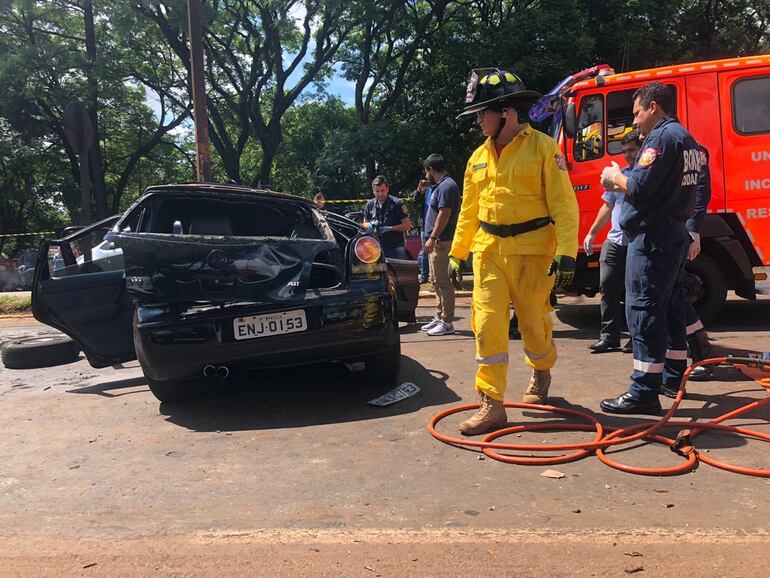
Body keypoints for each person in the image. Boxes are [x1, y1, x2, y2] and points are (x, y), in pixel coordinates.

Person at [449, 68, 579, 435]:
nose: (477, 121)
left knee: (532, 325)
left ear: (506, 111)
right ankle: (491, 403)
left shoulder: (543, 148)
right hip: (488, 251)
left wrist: (566, 251)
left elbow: (564, 205)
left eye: (482, 113)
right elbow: (468, 211)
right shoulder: (476, 158)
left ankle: (541, 369)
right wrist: (457, 253)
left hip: (533, 253)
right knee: (486, 325)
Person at [598, 81, 701, 414]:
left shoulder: (659, 139)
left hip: (653, 239)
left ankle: (644, 391)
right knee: (670, 307)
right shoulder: (686, 139)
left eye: (637, 113)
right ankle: (671, 376)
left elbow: (640, 187)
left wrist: (614, 177)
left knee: (642, 311)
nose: (635, 122)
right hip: (671, 235)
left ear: (653, 107)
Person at [583, 131, 641, 353]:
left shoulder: (642, 175)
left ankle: (636, 337)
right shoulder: (621, 175)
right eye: (624, 151)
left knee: (634, 292)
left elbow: (640, 191)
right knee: (607, 287)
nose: (628, 156)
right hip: (615, 241)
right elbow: (607, 207)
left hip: (636, 243)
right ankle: (609, 336)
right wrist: (592, 233)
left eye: (632, 150)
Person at [420, 154, 460, 337]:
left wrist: (433, 238)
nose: (425, 174)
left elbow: (444, 214)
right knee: (436, 281)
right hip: (436, 241)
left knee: (443, 282)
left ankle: (447, 321)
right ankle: (439, 316)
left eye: (426, 170)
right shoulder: (439, 186)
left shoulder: (446, 186)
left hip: (442, 241)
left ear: (431, 169)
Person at [362, 175, 412, 260]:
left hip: (395, 247)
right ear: (373, 191)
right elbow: (364, 223)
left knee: (398, 272)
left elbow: (407, 225)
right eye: (377, 191)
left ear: (387, 189)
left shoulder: (397, 203)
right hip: (375, 247)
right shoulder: (370, 204)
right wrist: (369, 225)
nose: (380, 194)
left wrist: (390, 228)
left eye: (383, 190)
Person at [416, 178, 433, 283]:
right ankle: (424, 275)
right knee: (425, 250)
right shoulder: (424, 191)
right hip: (424, 225)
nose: (427, 180)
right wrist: (419, 189)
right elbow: (415, 203)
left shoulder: (438, 188)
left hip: (436, 224)